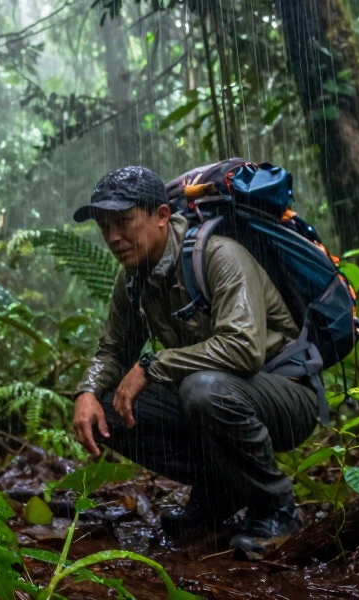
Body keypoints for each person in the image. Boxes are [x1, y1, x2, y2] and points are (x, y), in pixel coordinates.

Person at [70, 165, 319, 558]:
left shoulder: (219, 256)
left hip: (286, 395)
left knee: (203, 390)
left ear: (161, 216)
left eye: (123, 222)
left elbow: (243, 348)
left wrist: (153, 365)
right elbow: (114, 350)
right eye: (104, 227)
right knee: (106, 408)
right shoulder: (132, 279)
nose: (113, 237)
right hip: (214, 394)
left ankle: (277, 508)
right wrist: (86, 391)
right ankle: (221, 493)